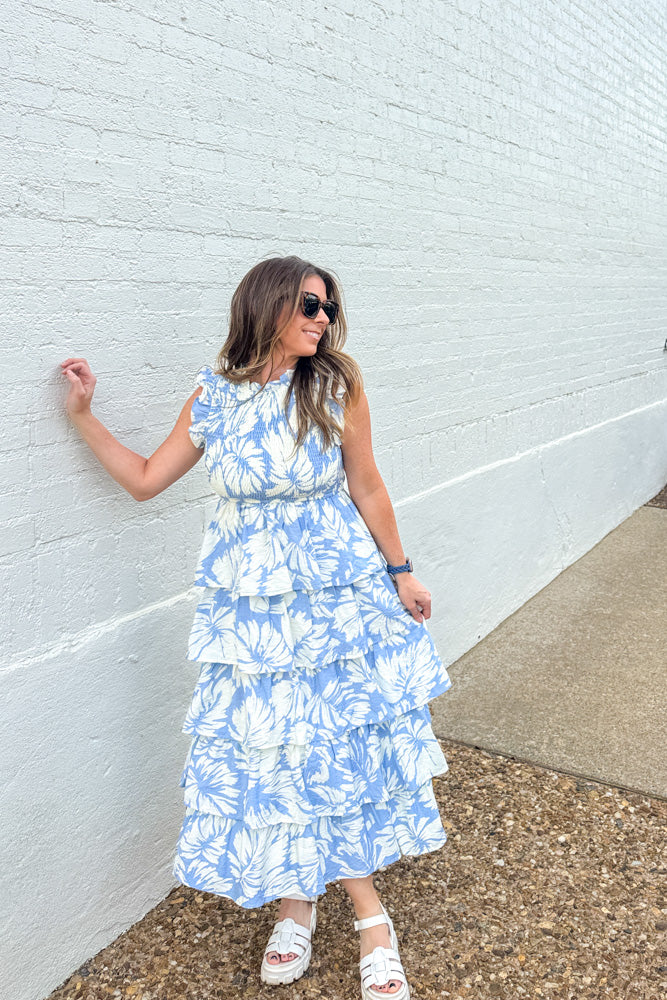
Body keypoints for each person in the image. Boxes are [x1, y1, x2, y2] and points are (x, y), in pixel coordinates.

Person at [60, 255, 453, 999]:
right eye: (308, 304)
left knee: (328, 750)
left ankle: (370, 919)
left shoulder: (335, 384)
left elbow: (366, 484)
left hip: (333, 601)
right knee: (273, 753)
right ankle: (296, 903)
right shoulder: (215, 395)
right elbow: (145, 480)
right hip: (251, 615)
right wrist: (83, 417)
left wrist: (402, 571)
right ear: (266, 305)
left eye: (328, 308)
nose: (322, 319)